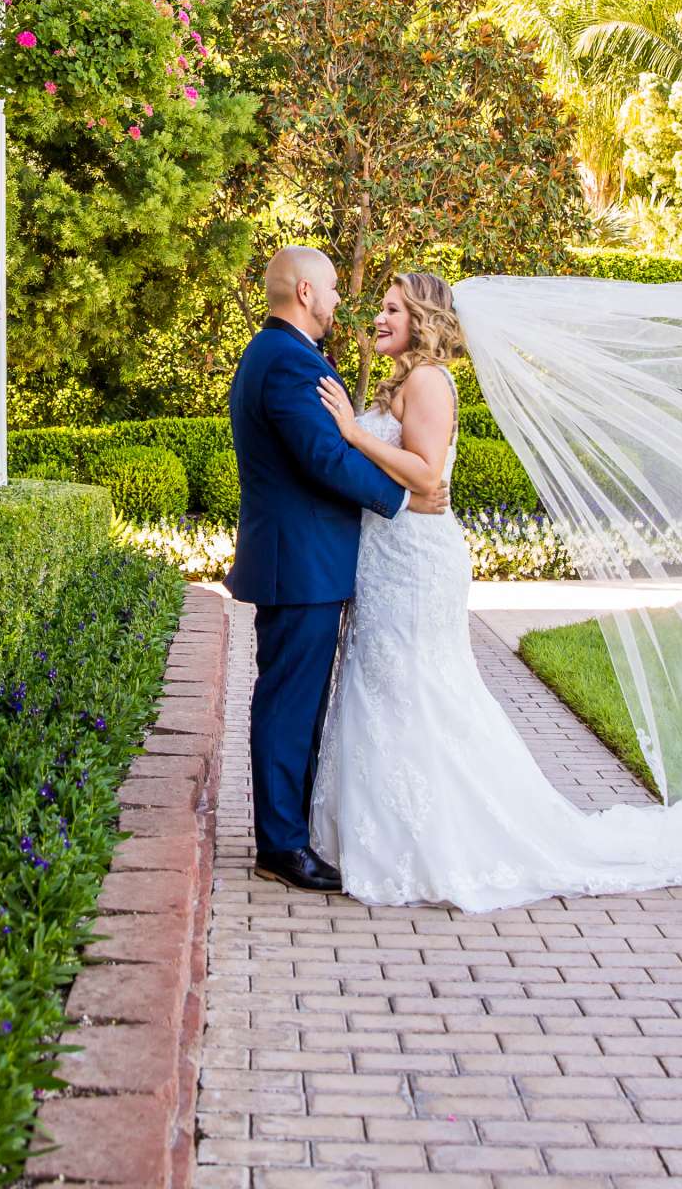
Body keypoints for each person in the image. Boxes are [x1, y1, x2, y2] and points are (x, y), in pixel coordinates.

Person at [301, 268, 682, 911]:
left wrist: (353, 433)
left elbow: (422, 472)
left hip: (416, 566)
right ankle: (382, 835)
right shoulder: (402, 384)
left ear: (423, 318)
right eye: (380, 309)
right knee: (385, 683)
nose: (378, 319)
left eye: (392, 309)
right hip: (390, 558)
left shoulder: (428, 381)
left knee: (420, 685)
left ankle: (443, 838)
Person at [223, 247, 449, 893]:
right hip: (301, 565)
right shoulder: (287, 362)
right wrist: (403, 499)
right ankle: (281, 844)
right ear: (302, 292)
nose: (339, 301)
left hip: (307, 563)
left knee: (297, 703)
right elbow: (324, 455)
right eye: (329, 289)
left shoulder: (283, 356)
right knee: (288, 705)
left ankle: (291, 831)